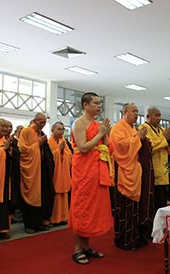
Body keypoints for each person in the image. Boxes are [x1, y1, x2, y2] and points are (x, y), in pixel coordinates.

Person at [70, 92, 113, 265]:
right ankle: (77, 249)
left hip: (97, 169)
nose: (99, 106)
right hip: (83, 171)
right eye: (95, 103)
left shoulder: (98, 124)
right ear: (85, 105)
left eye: (100, 103)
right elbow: (83, 147)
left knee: (93, 208)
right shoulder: (78, 123)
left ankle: (86, 247)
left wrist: (105, 133)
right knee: (82, 207)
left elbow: (107, 146)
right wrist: (100, 133)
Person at [110, 103, 152, 250]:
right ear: (125, 112)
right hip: (124, 173)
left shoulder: (133, 129)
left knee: (135, 210)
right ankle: (124, 240)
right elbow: (120, 147)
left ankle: (135, 237)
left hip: (135, 173)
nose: (136, 114)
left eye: (137, 111)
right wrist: (138, 138)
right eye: (133, 111)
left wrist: (143, 139)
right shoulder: (117, 128)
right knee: (125, 209)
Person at [19, 113, 55, 234]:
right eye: (41, 122)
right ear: (34, 121)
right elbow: (22, 150)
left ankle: (39, 223)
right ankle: (29, 224)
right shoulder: (26, 132)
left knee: (42, 196)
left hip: (41, 169)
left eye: (44, 122)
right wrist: (37, 144)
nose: (43, 124)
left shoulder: (42, 134)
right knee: (31, 196)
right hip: (31, 170)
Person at [139, 106, 170, 213]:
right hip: (151, 172)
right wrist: (164, 139)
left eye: (160, 115)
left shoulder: (162, 130)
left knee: (162, 203)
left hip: (163, 172)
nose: (159, 118)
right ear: (148, 116)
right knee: (152, 203)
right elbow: (150, 147)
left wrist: (167, 140)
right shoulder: (143, 128)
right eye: (156, 115)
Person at [48, 121, 72, 225]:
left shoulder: (64, 141)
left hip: (64, 172)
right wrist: (59, 151)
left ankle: (64, 217)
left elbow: (70, 156)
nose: (61, 131)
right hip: (55, 173)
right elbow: (48, 158)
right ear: (52, 130)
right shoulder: (49, 142)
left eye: (62, 129)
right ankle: (54, 219)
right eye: (58, 129)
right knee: (56, 196)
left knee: (64, 195)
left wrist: (63, 152)